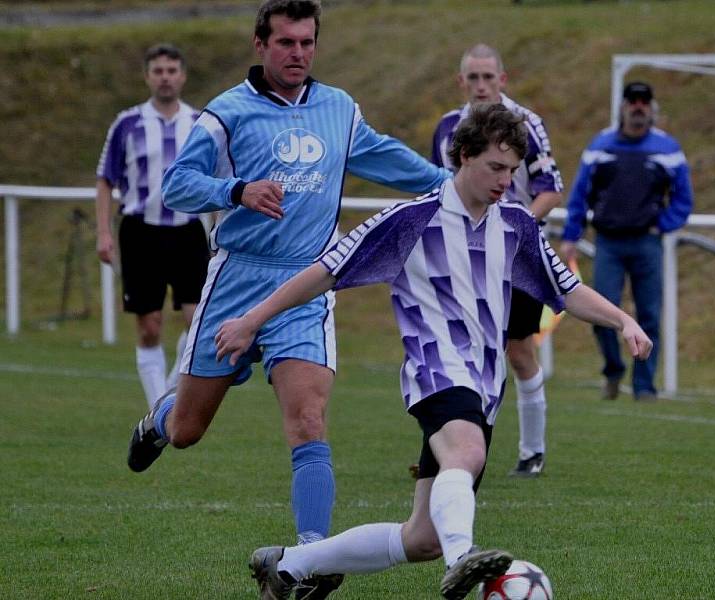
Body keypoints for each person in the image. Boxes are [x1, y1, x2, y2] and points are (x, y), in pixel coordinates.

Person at [215, 104, 652, 600]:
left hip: (485, 385)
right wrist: (253, 320)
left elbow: (566, 289)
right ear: (463, 156)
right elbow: (325, 270)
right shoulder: (410, 219)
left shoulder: (516, 224)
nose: (506, 181)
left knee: (420, 536)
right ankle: (462, 557)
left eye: (512, 171)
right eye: (495, 168)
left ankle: (290, 565)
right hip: (435, 368)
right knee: (465, 454)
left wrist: (622, 319)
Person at [126, 1, 450, 597]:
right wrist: (237, 190)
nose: (298, 53)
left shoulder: (339, 109)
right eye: (286, 43)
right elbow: (177, 186)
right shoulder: (227, 113)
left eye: (307, 42)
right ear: (260, 44)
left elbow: (386, 158)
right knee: (190, 431)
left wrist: (450, 185)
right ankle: (160, 420)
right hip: (237, 282)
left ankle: (308, 560)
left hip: (308, 285)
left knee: (309, 419)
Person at [431, 44, 563, 478]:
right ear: (461, 82)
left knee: (519, 351)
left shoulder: (527, 124)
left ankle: (532, 451)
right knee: (457, 352)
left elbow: (549, 188)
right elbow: (439, 191)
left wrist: (514, 227)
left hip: (516, 258)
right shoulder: (448, 128)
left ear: (503, 79)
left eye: (489, 76)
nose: (482, 85)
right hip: (461, 259)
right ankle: (452, 452)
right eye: (474, 78)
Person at [561, 81, 693, 402]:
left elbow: (683, 199)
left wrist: (662, 226)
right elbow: (580, 194)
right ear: (622, 107)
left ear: (652, 108)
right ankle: (613, 370)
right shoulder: (600, 146)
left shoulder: (668, 149)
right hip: (608, 243)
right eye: (632, 101)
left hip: (647, 244)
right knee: (602, 311)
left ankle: (644, 387)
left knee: (649, 314)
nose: (638, 107)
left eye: (644, 102)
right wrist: (570, 235)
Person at [95, 43, 208, 409]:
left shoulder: (200, 124)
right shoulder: (127, 123)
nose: (165, 77)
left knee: (199, 325)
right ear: (147, 76)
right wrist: (103, 232)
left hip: (188, 230)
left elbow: (220, 177)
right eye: (158, 71)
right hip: (141, 232)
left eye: (172, 70)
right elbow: (105, 180)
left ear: (183, 76)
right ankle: (157, 407)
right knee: (150, 326)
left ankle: (165, 401)